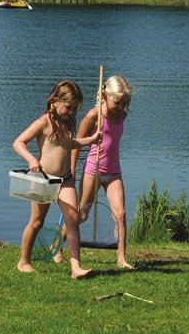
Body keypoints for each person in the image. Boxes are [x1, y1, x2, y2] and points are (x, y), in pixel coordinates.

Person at [13, 80, 101, 279]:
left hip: (65, 180)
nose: (72, 112)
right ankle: (24, 261)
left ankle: (76, 268)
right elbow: (18, 142)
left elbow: (69, 144)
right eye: (69, 107)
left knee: (73, 220)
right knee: (37, 221)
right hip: (44, 180)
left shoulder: (68, 123)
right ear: (54, 102)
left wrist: (91, 140)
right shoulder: (44, 122)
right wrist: (31, 159)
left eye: (76, 109)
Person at [56, 76, 134, 269]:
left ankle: (121, 258)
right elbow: (76, 144)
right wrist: (72, 170)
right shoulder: (94, 116)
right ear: (105, 96)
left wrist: (121, 108)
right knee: (81, 216)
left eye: (125, 102)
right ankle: (56, 247)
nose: (121, 106)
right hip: (93, 170)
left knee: (121, 214)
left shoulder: (122, 115)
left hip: (114, 171)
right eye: (117, 102)